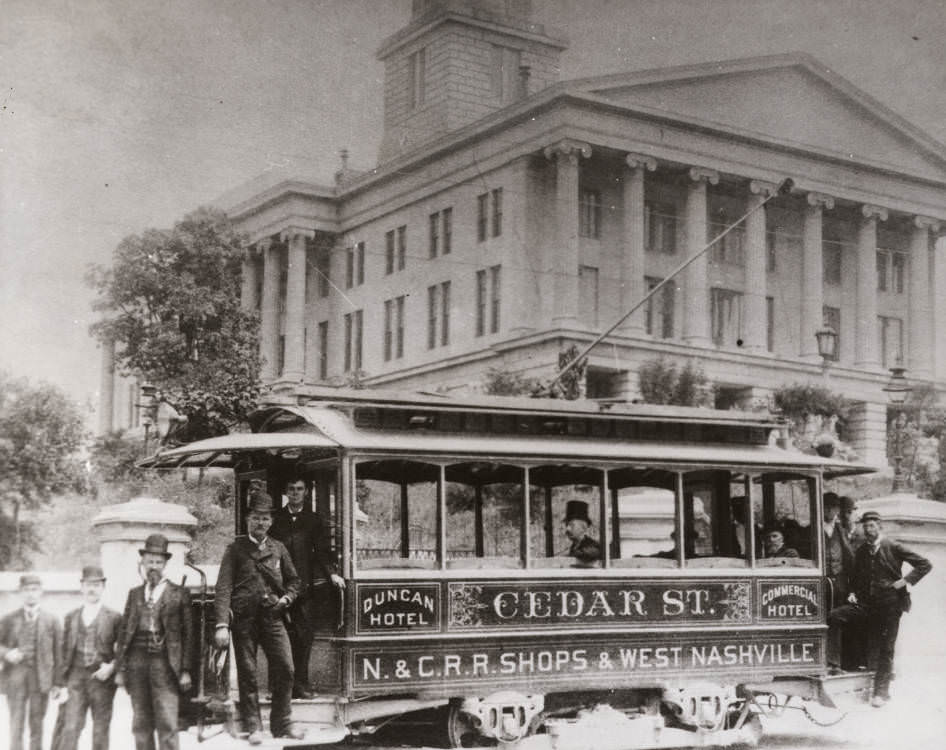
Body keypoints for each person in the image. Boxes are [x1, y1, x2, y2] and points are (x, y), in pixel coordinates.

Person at [214, 491, 304, 745]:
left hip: (273, 618)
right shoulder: (235, 550)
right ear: (247, 520)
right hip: (244, 621)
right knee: (248, 673)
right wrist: (222, 624)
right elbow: (223, 588)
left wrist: (287, 598)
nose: (260, 523)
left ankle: (282, 723)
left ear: (271, 522)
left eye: (265, 519)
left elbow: (295, 581)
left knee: (286, 668)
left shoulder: (279, 548)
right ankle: (254, 727)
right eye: (255, 518)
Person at [828, 511, 931, 706]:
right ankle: (834, 666)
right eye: (865, 526)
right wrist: (852, 591)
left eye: (872, 526)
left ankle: (880, 693)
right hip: (868, 605)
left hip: (891, 605)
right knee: (835, 616)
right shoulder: (861, 551)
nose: (868, 530)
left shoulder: (893, 547)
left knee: (886, 648)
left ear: (879, 527)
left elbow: (924, 564)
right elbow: (855, 577)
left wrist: (904, 581)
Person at [114, 534, 194, 750]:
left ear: (165, 564)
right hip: (136, 664)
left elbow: (188, 635)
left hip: (165, 665)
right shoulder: (134, 594)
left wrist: (185, 670)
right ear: (143, 563)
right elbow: (124, 634)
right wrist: (121, 669)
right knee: (140, 722)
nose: (153, 567)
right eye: (150, 561)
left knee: (167, 721)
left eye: (158, 562)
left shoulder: (179, 594)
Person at [269, 477, 344, 699]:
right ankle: (279, 687)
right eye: (291, 489)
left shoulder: (313, 520)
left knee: (304, 636)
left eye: (299, 489)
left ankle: (301, 685)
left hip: (304, 588)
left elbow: (321, 551)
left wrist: (332, 573)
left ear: (306, 492)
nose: (295, 493)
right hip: (279, 587)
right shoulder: (276, 519)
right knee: (278, 638)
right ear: (286, 492)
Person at [55, 565, 122, 750]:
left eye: (96, 584)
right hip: (75, 678)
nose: (92, 589)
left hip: (102, 680)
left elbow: (125, 650)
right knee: (70, 728)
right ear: (82, 587)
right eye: (88, 584)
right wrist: (59, 683)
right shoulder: (71, 617)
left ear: (103, 587)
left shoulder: (115, 617)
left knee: (100, 731)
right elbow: (63, 651)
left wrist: (112, 667)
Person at [0, 574, 63, 750]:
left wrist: (57, 683)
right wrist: (7, 653)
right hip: (15, 678)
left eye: (34, 590)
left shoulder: (52, 620)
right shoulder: (9, 619)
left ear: (41, 592)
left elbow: (58, 654)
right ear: (20, 592)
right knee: (16, 724)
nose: (30, 594)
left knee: (37, 725)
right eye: (26, 590)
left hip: (41, 679)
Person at [822, 493, 853, 668]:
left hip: (840, 583)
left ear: (837, 509)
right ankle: (821, 659)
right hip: (820, 582)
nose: (829, 510)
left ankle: (835, 662)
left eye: (833, 507)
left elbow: (849, 556)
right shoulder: (811, 528)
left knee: (837, 620)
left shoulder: (842, 530)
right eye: (826, 506)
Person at [563, 500, 601, 565]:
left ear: (583, 527)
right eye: (566, 525)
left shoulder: (593, 546)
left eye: (572, 525)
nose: (567, 529)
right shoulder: (574, 546)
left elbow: (591, 553)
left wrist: (567, 557)